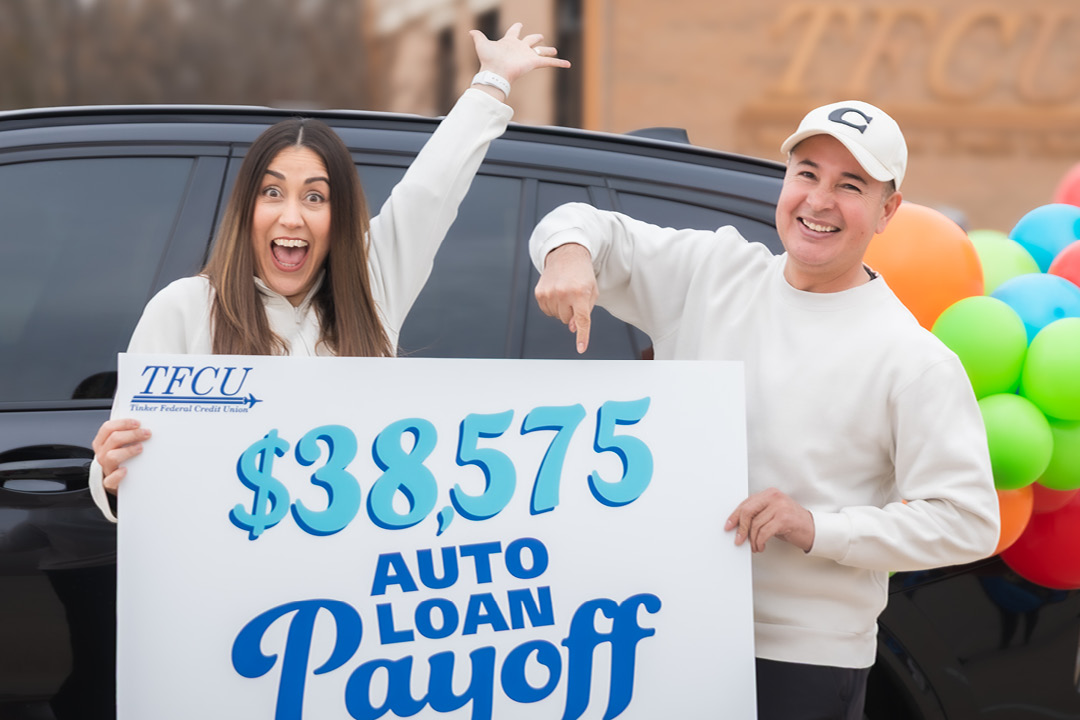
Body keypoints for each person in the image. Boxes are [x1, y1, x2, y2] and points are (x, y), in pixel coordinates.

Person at [529, 100, 999, 719]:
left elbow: (969, 520)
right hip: (666, 626)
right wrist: (567, 251)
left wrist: (818, 528)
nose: (819, 200)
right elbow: (582, 222)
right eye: (807, 173)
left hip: (804, 658)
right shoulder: (713, 273)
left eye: (850, 185)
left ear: (888, 210)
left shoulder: (913, 359)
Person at [90, 23, 569, 522]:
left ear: (338, 216)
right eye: (272, 192)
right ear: (245, 209)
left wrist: (491, 81)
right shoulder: (184, 308)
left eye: (314, 197)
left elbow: (431, 191)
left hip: (343, 588)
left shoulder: (373, 286)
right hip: (230, 585)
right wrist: (111, 475)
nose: (291, 216)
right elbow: (128, 469)